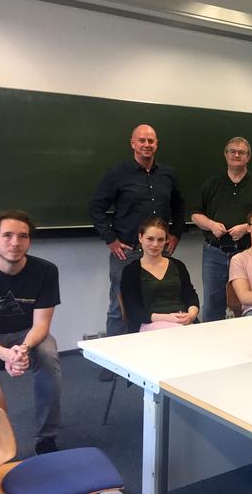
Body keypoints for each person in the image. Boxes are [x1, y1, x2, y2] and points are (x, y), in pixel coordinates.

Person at [0, 210, 62, 481]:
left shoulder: (45, 271)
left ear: (29, 242)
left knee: (49, 356)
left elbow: (41, 324)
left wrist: (24, 348)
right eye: (7, 235)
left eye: (23, 236)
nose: (15, 242)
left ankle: (46, 439)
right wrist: (7, 354)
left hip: (25, 335)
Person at [89, 124, 185, 381]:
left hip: (159, 251)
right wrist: (110, 238)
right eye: (141, 140)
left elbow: (179, 206)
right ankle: (112, 361)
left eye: (151, 141)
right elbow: (96, 207)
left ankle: (148, 355)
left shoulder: (167, 174)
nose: (146, 145)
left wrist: (175, 233)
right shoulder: (117, 174)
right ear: (132, 143)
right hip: (128, 252)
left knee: (158, 302)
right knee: (118, 307)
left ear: (157, 144)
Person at [191, 137, 252, 321]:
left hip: (246, 253)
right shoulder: (211, 184)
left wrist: (246, 227)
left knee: (249, 301)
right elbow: (195, 215)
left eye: (241, 152)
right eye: (232, 151)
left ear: (248, 157)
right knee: (212, 302)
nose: (236, 155)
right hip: (214, 252)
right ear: (225, 155)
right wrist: (210, 224)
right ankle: (212, 343)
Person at [120, 217, 199, 333]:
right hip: (150, 323)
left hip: (183, 321)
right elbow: (133, 310)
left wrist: (192, 314)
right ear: (140, 237)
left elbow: (190, 294)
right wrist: (168, 318)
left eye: (160, 240)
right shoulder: (131, 271)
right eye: (150, 239)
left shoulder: (178, 265)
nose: (155, 244)